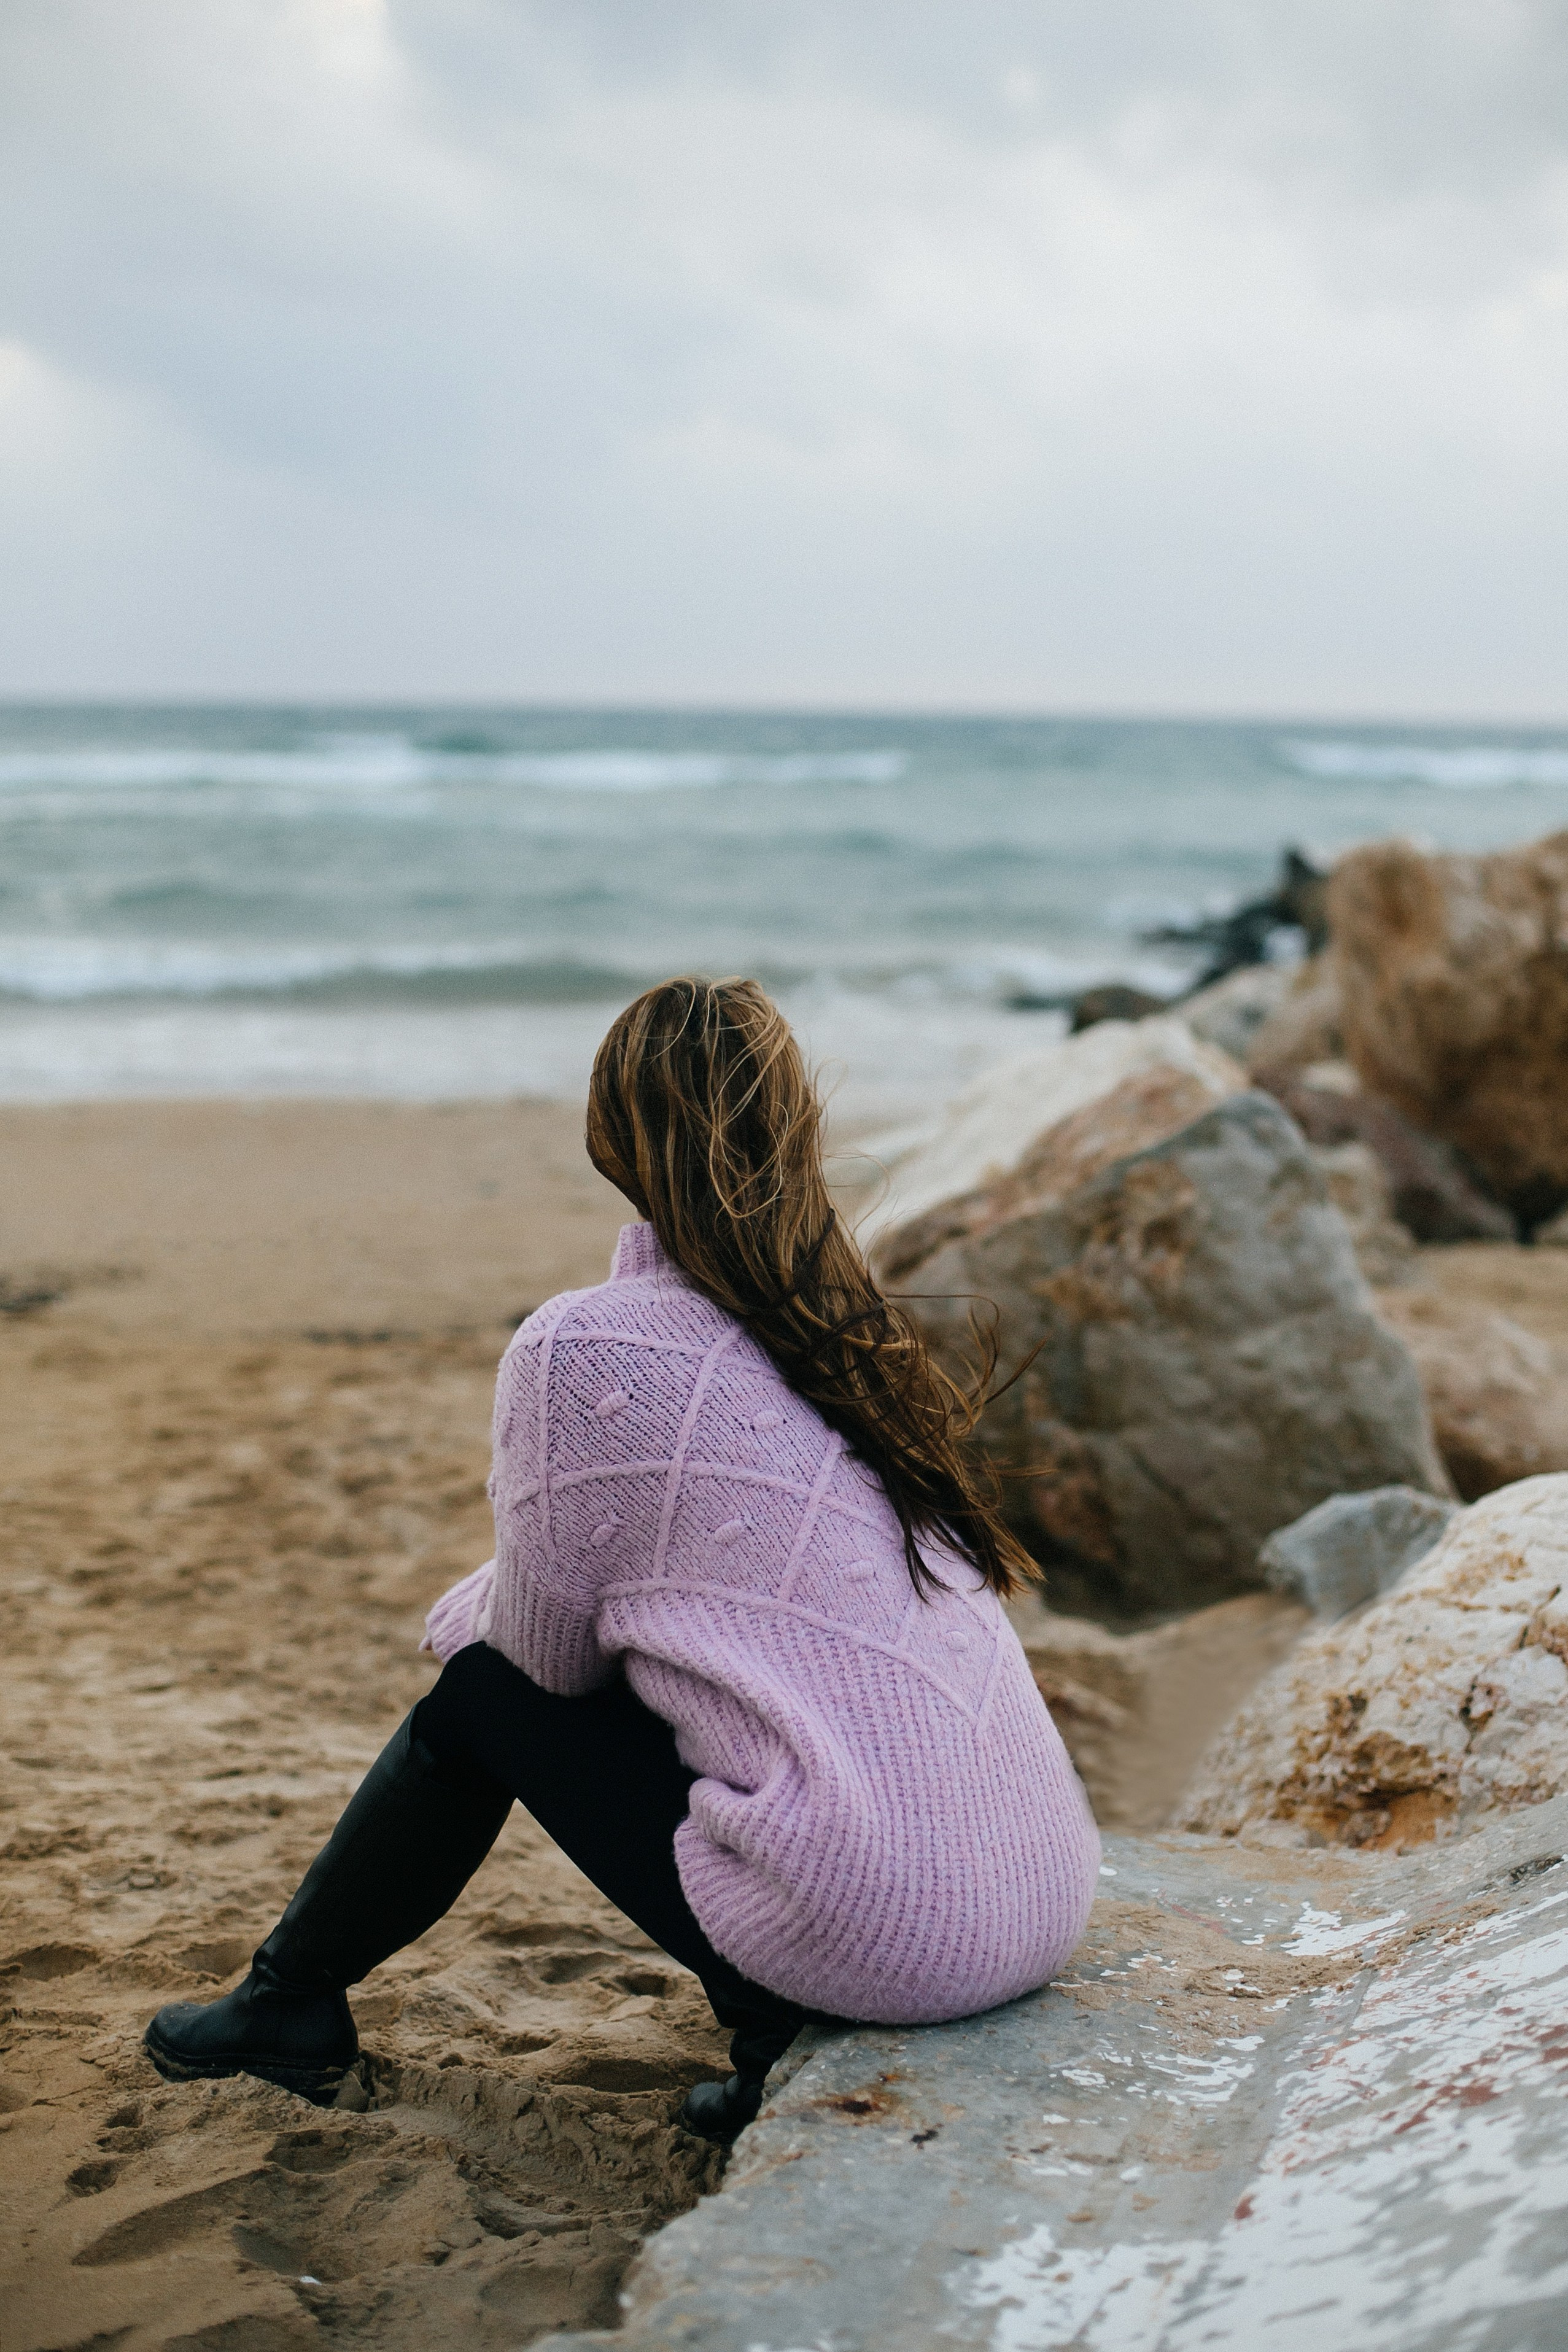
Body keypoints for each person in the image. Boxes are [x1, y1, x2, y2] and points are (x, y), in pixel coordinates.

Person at [144, 979, 1100, 2142]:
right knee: (625, 1675)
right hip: (1039, 1900)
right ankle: (294, 2002)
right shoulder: (842, 1334)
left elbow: (544, 1667)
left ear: (609, 1134)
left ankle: (288, 2003)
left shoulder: (587, 1347)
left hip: (885, 1935)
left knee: (480, 1696)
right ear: (796, 1133)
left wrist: (473, 1622)